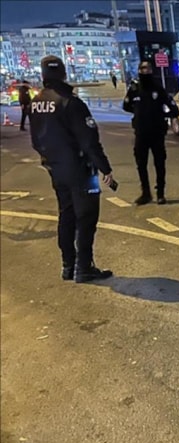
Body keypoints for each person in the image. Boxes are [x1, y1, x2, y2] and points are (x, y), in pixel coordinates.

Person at [29, 55, 116, 283]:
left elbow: (35, 140)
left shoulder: (36, 102)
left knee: (66, 215)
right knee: (86, 218)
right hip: (80, 169)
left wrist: (49, 160)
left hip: (55, 169)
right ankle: (84, 267)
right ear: (63, 73)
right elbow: (89, 141)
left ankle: (68, 265)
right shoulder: (70, 102)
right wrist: (105, 168)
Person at [122, 61, 179, 205]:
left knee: (159, 163)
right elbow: (126, 106)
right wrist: (139, 113)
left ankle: (160, 193)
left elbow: (173, 108)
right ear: (139, 70)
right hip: (141, 133)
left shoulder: (158, 88)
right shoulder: (135, 89)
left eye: (148, 68)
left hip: (157, 133)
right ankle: (145, 193)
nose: (145, 71)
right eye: (142, 68)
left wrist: (161, 115)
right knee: (141, 164)